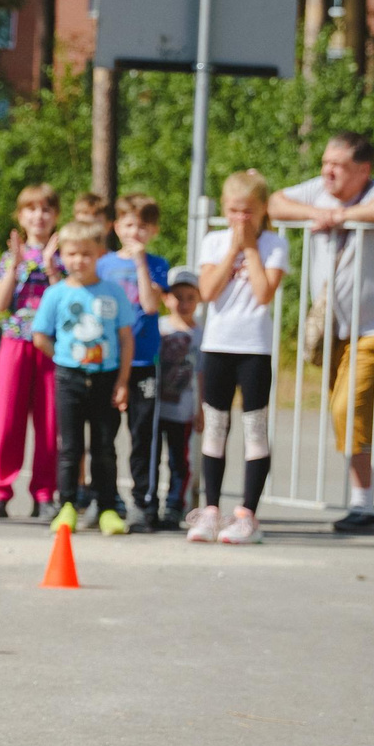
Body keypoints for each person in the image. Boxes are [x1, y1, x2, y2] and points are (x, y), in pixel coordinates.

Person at [271, 132, 374, 533]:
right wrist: (315, 212)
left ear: (363, 169)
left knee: (346, 407)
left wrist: (340, 216)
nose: (327, 172)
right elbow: (276, 201)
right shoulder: (321, 190)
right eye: (325, 163)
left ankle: (360, 501)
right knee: (367, 411)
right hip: (334, 327)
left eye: (338, 165)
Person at [186, 169, 288, 546]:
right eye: (233, 211)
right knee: (215, 426)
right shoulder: (213, 242)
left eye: (248, 211)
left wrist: (249, 248)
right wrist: (233, 247)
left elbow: (263, 293)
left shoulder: (275, 245)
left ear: (262, 210)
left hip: (254, 349)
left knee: (255, 429)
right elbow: (208, 291)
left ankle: (247, 513)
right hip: (218, 345)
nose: (240, 219)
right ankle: (211, 510)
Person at [30, 218, 137, 535]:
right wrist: (64, 359)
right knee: (70, 447)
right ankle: (67, 505)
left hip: (106, 379)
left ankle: (106, 509)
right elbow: (39, 336)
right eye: (72, 254)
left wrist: (122, 381)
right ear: (62, 254)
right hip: (69, 379)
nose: (78, 260)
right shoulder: (56, 294)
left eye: (86, 254)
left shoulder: (112, 293)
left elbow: (126, 338)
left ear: (100, 254)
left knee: (105, 448)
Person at [0, 184, 64, 518]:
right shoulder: (10, 258)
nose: (39, 216)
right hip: (16, 343)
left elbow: (67, 302)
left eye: (46, 210)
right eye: (31, 210)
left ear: (55, 216)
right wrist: (16, 266)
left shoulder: (64, 256)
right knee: (9, 421)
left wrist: (50, 268)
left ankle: (44, 494)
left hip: (52, 347)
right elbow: (0, 304)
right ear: (21, 216)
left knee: (49, 423)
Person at [94, 193, 169, 527]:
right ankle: (106, 500)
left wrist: (140, 264)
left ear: (152, 230)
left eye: (142, 226)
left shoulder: (157, 264)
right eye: (128, 224)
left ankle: (143, 501)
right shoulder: (104, 264)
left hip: (143, 362)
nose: (134, 231)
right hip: (108, 362)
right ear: (116, 227)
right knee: (103, 435)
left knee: (142, 436)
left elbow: (152, 306)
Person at [152, 275, 202, 526]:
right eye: (178, 297)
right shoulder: (159, 327)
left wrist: (201, 410)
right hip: (155, 407)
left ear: (199, 299)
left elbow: (202, 374)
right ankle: (149, 501)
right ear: (166, 298)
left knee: (178, 460)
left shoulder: (201, 333)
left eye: (190, 298)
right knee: (152, 456)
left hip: (182, 410)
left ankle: (174, 504)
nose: (183, 303)